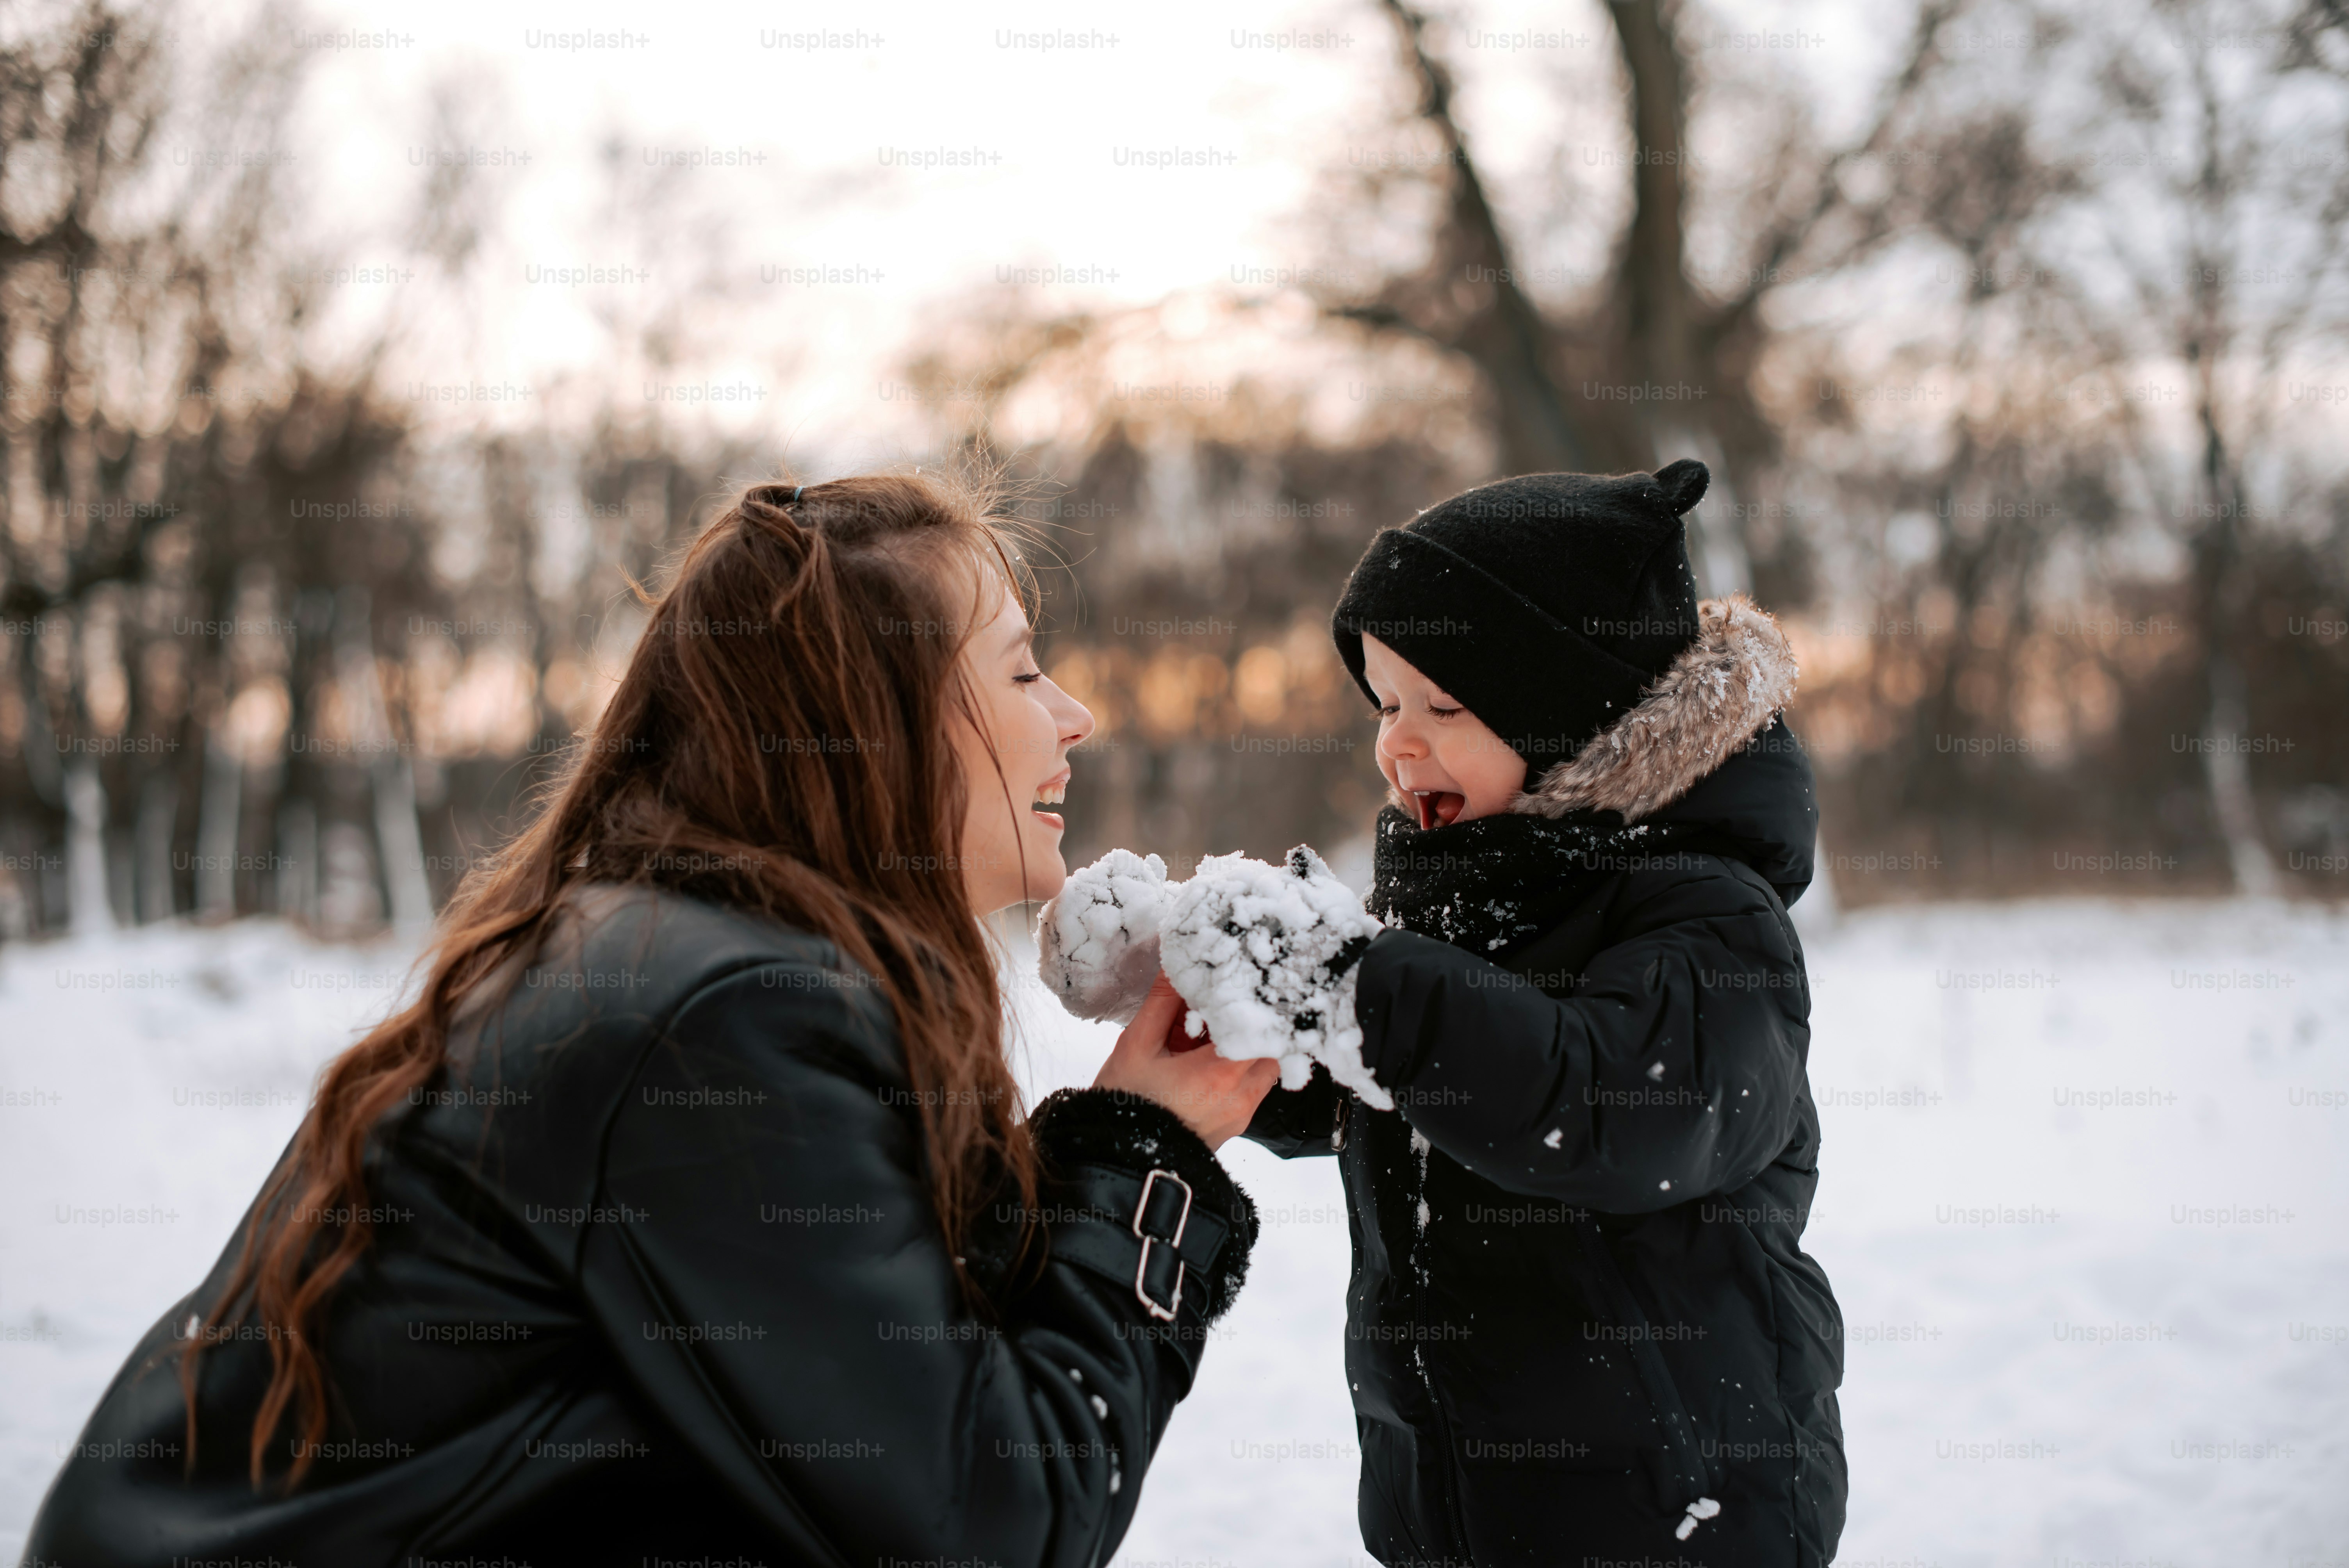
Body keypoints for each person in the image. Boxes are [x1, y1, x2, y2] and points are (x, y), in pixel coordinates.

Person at [26, 472, 1279, 1567]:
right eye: (1018, 669)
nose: (1075, 716)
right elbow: (985, 1522)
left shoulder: (689, 955)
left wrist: (1129, 1136)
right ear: (873, 727)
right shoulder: (728, 1023)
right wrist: (1143, 1164)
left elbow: (874, 1350)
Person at [1246, 460, 1847, 1566]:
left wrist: (1356, 980)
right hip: (1459, 1498)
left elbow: (1596, 1107)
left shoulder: (1712, 919)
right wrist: (1231, 1000)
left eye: (1444, 705)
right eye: (1384, 703)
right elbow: (1383, 1086)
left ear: (1568, 720)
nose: (1397, 742)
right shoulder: (1465, 904)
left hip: (1679, 1515)